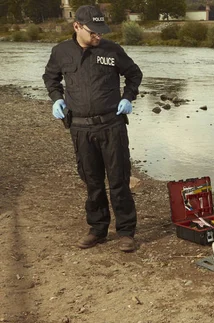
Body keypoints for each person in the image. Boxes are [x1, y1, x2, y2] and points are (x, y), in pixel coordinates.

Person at [42, 5, 143, 252]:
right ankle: (98, 229)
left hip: (112, 125)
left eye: (101, 31)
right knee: (92, 181)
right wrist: (56, 98)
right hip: (81, 129)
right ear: (77, 26)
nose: (98, 35)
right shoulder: (61, 52)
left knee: (119, 179)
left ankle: (126, 231)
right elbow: (50, 77)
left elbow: (134, 74)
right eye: (93, 31)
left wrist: (128, 97)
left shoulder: (112, 50)